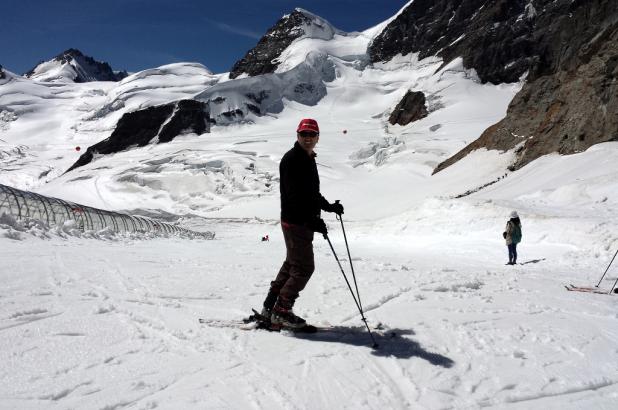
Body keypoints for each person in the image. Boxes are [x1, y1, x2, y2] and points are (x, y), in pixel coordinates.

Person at [260, 118, 344, 328]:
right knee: (304, 267)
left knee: (292, 264)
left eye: (311, 135)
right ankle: (282, 311)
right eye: (304, 135)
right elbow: (294, 196)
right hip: (296, 222)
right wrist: (311, 220)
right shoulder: (293, 159)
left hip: (298, 222)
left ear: (317, 137)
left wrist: (328, 207)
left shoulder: (307, 157)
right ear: (297, 136)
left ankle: (270, 307)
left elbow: (311, 193)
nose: (308, 138)